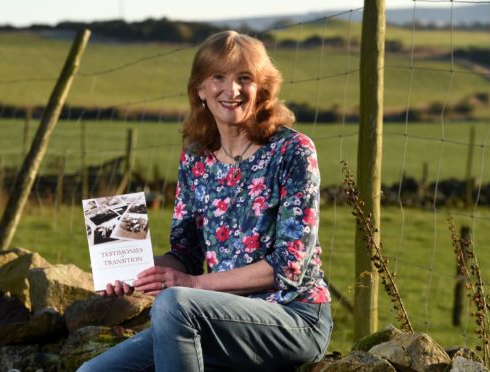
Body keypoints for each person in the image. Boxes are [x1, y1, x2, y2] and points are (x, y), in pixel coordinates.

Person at [78, 30, 332, 372]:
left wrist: (193, 285)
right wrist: (132, 270)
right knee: (93, 371)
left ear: (263, 88)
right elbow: (186, 255)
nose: (233, 90)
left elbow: (288, 266)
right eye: (218, 77)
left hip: (293, 316)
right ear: (200, 89)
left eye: (245, 78)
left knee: (174, 303)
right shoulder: (196, 159)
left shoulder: (292, 151)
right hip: (212, 315)